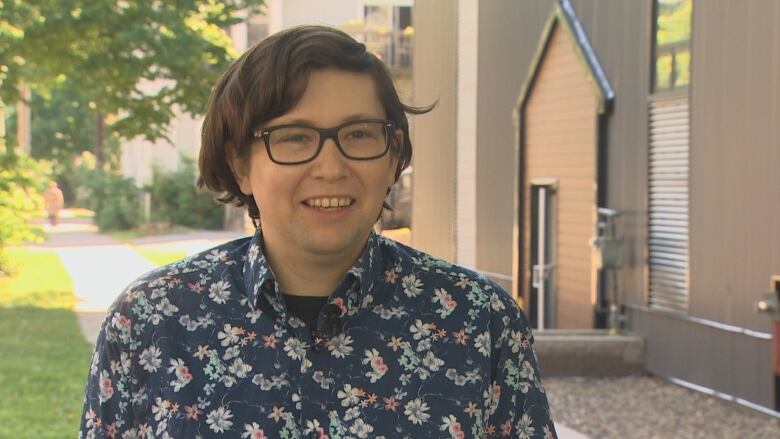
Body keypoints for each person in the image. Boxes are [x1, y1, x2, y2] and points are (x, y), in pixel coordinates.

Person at [80, 25, 556, 438]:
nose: (331, 167)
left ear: (393, 157)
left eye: (359, 134)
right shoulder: (152, 322)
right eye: (294, 137)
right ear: (239, 164)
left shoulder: (477, 322)